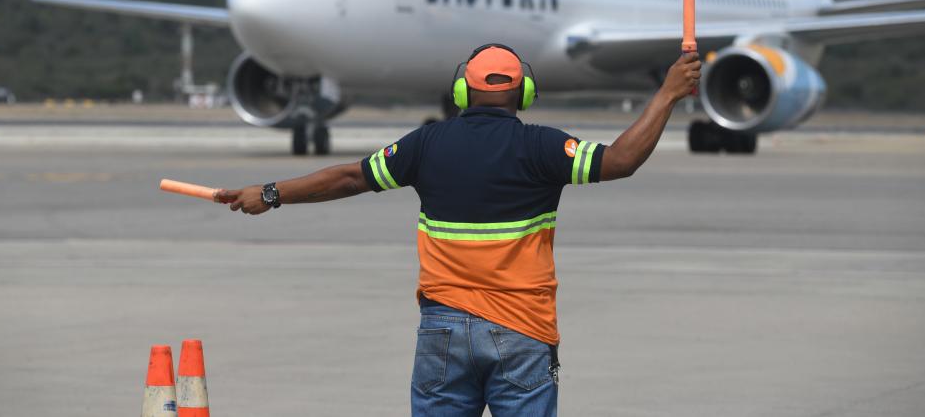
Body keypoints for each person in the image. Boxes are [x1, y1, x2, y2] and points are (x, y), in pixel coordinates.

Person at [216, 44, 701, 416]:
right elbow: (620, 160)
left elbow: (348, 178)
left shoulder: (426, 144)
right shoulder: (544, 147)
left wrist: (271, 193)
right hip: (523, 331)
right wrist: (667, 93)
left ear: (462, 91)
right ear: (524, 93)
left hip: (443, 330)